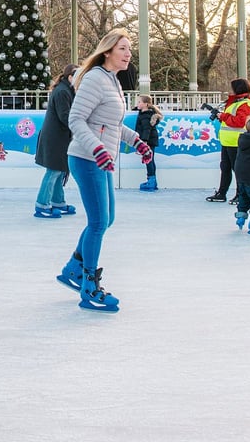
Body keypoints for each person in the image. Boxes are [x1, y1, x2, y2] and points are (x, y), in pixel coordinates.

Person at [55, 29, 152, 313]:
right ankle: (89, 285)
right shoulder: (96, 78)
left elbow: (112, 123)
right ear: (108, 51)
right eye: (123, 48)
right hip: (87, 158)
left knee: (106, 220)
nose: (128, 54)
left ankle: (74, 266)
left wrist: (137, 141)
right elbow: (76, 119)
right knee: (98, 222)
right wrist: (97, 149)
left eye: (130, 49)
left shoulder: (113, 81)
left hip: (102, 158)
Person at [33, 63, 78, 216]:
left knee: (60, 170)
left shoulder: (68, 90)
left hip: (60, 137)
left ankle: (58, 201)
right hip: (55, 137)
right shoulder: (62, 92)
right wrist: (80, 126)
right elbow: (65, 116)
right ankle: (42, 204)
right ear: (70, 77)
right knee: (54, 170)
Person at [207, 78, 250, 203]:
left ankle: (241, 194)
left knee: (237, 169)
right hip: (227, 141)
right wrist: (220, 117)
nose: (229, 90)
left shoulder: (244, 104)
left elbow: (239, 122)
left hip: (235, 141)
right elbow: (230, 120)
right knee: (225, 167)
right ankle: (222, 193)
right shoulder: (234, 103)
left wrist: (223, 116)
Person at [135, 94, 163, 191]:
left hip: (148, 141)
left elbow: (146, 129)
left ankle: (151, 181)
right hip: (150, 140)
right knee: (150, 160)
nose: (137, 104)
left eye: (139, 102)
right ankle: (152, 181)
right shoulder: (144, 113)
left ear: (146, 104)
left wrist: (144, 142)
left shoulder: (146, 116)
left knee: (149, 160)